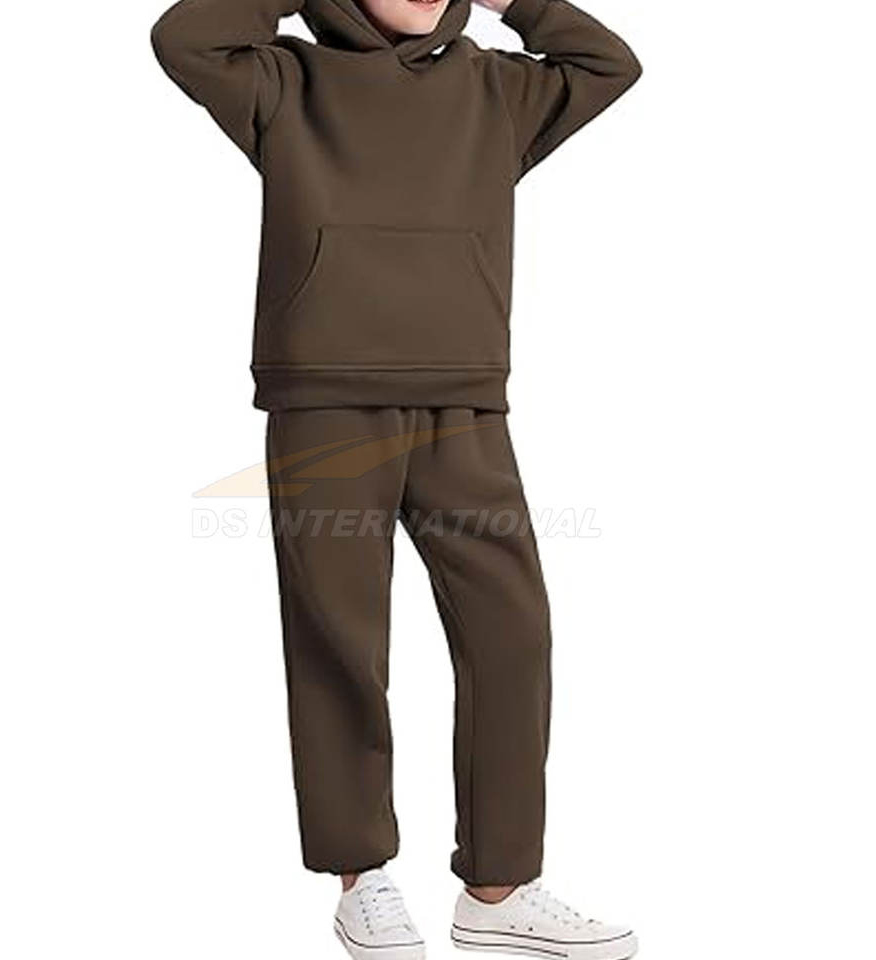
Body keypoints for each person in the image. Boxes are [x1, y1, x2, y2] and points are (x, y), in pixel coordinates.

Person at [151, 0, 641, 956]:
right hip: (325, 398)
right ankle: (361, 878)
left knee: (512, 634)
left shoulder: (496, 90)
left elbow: (609, 64)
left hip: (465, 396)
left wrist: (516, 4)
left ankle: (498, 889)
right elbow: (180, 37)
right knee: (341, 639)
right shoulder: (280, 80)